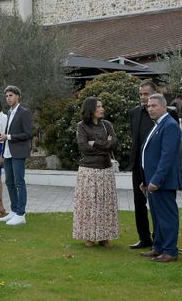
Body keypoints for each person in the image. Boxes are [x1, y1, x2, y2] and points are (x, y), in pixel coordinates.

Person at [128, 81, 179, 249]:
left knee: (163, 210)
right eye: (141, 95)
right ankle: (149, 241)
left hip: (159, 172)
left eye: (147, 95)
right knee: (143, 205)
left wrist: (157, 177)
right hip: (141, 169)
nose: (144, 99)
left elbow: (168, 151)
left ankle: (166, 246)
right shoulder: (135, 113)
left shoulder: (168, 119)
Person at [139, 93, 182, 262]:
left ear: (164, 107)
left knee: (167, 216)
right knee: (157, 217)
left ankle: (170, 251)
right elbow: (149, 155)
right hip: (152, 180)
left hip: (162, 181)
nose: (150, 109)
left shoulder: (170, 125)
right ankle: (158, 248)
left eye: (154, 105)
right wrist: (146, 179)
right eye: (149, 106)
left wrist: (156, 180)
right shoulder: (158, 124)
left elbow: (167, 157)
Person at [72, 97, 119, 248]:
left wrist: (96, 143)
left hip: (106, 170)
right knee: (89, 205)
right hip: (88, 171)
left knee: (105, 205)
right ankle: (89, 237)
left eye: (102, 106)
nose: (102, 108)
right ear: (91, 109)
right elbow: (84, 147)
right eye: (99, 106)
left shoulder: (107, 125)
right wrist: (106, 144)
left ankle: (104, 237)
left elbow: (114, 144)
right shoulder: (82, 126)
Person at [0, 86, 33, 226]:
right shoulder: (9, 112)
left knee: (19, 182)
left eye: (10, 95)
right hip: (7, 152)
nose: (8, 98)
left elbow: (28, 134)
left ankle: (21, 214)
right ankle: (13, 210)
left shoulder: (24, 112)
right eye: (6, 96)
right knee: (9, 182)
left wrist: (9, 136)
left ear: (17, 96)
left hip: (18, 152)